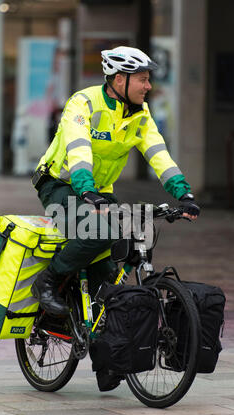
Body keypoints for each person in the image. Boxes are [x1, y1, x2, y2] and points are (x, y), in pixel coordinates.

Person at [31, 45, 200, 320]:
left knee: (118, 259)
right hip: (59, 184)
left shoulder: (140, 115)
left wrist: (184, 194)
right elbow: (79, 148)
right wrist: (86, 189)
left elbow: (158, 154)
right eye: (143, 79)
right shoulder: (83, 103)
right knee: (97, 231)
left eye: (148, 79)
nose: (148, 85)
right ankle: (48, 281)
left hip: (99, 192)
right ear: (120, 79)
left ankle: (101, 338)